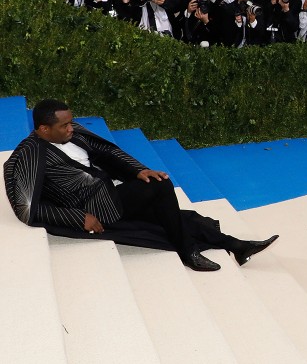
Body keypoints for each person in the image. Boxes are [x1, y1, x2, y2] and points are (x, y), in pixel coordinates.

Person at [3, 100, 279, 272]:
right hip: (95, 207)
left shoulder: (74, 134)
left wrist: (140, 170)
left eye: (71, 122)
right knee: (161, 191)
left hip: (112, 193)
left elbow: (109, 152)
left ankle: (237, 246)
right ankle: (188, 253)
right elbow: (27, 207)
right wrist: (79, 218)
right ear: (42, 130)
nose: (71, 129)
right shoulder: (28, 155)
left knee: (166, 202)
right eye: (64, 126)